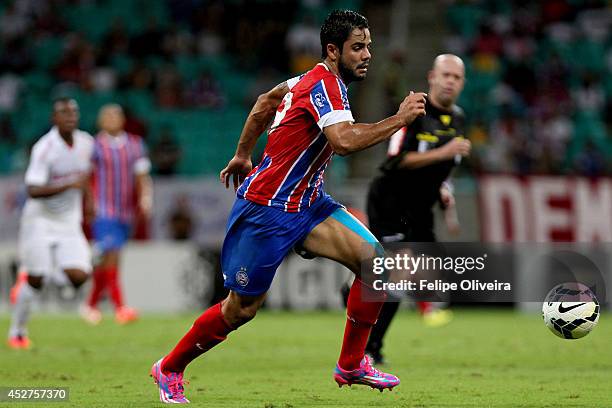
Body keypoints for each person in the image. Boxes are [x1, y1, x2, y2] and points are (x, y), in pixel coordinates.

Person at [150, 9, 427, 404]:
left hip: (309, 205)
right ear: (333, 50)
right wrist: (399, 119)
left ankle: (351, 364)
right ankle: (170, 367)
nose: (367, 54)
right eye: (358, 47)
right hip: (267, 210)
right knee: (240, 310)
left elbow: (266, 101)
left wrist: (244, 153)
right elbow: (344, 142)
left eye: (369, 46)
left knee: (375, 263)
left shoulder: (308, 80)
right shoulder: (325, 86)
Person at [363, 54, 470, 364]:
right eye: (445, 75)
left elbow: (446, 171)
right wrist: (444, 151)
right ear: (431, 77)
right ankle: (370, 349)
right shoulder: (413, 111)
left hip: (421, 206)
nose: (450, 81)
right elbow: (394, 160)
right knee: (399, 274)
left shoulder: (459, 119)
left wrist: (444, 193)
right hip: (391, 200)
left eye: (457, 77)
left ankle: (357, 289)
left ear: (462, 83)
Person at [7, 98, 94, 349]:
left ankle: (46, 270)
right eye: (64, 113)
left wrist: (89, 201)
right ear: (53, 119)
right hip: (40, 221)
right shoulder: (44, 148)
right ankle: (17, 332)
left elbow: (86, 176)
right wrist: (69, 185)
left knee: (80, 276)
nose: (70, 116)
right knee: (36, 280)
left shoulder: (86, 143)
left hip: (68, 221)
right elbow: (32, 190)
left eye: (74, 112)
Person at [80, 104, 152, 325]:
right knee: (111, 254)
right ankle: (120, 307)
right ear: (101, 121)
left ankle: (90, 305)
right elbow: (85, 176)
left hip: (124, 211)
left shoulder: (135, 144)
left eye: (116, 115)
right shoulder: (94, 146)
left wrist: (146, 198)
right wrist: (89, 202)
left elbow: (141, 175)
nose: (112, 119)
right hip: (103, 209)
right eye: (107, 116)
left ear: (122, 119)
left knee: (111, 258)